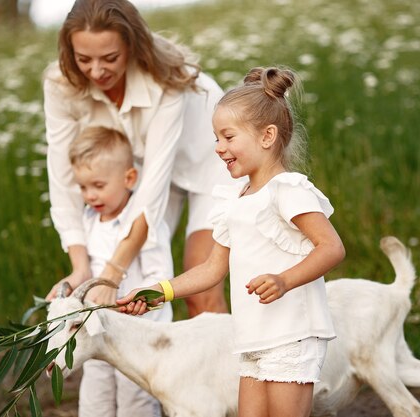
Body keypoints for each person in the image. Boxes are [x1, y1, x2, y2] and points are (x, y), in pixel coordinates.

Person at [117, 66, 346, 417]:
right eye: (216, 138)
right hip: (251, 337)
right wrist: (158, 292)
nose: (219, 148)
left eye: (228, 137)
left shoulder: (287, 190)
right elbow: (211, 269)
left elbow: (331, 248)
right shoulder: (234, 199)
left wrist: (285, 280)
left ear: (267, 136)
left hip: (291, 334)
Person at [43, 0, 232, 316]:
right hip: (143, 171)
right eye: (84, 59)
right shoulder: (60, 85)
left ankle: (229, 365)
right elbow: (63, 180)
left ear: (131, 46)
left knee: (199, 287)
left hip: (213, 164)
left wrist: (112, 272)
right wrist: (81, 269)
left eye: (110, 58)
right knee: (131, 285)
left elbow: (152, 191)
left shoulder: (167, 77)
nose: (96, 71)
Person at [68, 125, 172, 417]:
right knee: (94, 394)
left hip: (138, 334)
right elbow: (89, 271)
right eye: (83, 187)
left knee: (135, 399)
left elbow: (159, 275)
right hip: (98, 328)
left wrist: (140, 302)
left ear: (129, 178)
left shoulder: (143, 224)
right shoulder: (89, 220)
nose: (90, 195)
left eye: (98, 186)